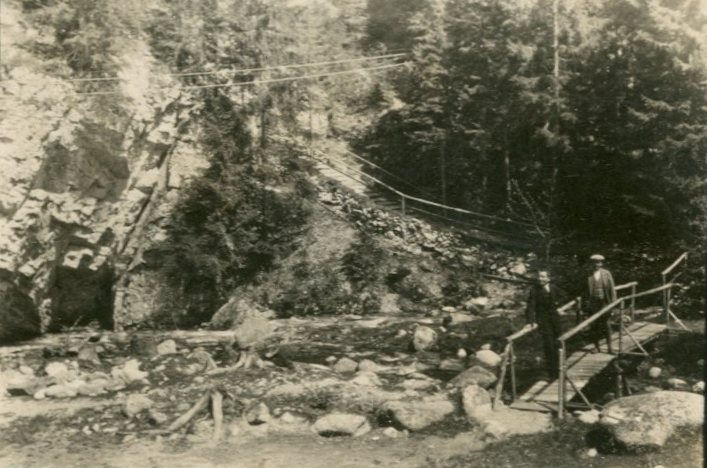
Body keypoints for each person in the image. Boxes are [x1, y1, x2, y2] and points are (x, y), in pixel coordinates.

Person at [525, 269, 563, 379]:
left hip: (555, 320)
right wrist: (530, 321)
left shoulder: (553, 287)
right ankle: (553, 374)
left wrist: (559, 305)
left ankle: (560, 370)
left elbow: (564, 296)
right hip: (544, 321)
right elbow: (530, 306)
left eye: (542, 276)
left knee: (558, 344)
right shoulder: (534, 290)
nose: (540, 279)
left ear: (548, 278)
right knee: (549, 347)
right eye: (539, 276)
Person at [586, 254, 617, 353]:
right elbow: (583, 290)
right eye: (595, 263)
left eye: (599, 263)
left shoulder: (606, 273)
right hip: (593, 303)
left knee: (606, 325)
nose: (597, 265)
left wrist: (612, 305)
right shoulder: (588, 274)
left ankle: (610, 347)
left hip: (604, 303)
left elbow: (612, 290)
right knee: (594, 325)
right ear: (591, 264)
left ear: (601, 264)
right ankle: (596, 347)